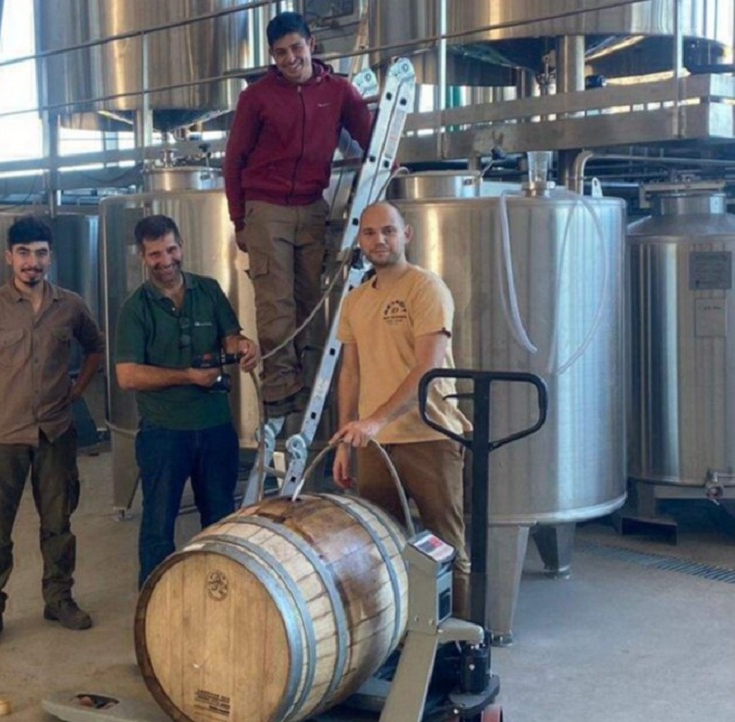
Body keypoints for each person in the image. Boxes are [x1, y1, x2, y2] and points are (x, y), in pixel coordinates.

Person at [0, 215, 105, 650]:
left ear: (50, 257)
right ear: (9, 257)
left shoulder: (70, 306)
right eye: (23, 253)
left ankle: (58, 599)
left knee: (58, 525)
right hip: (2, 437)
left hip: (55, 434)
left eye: (40, 253)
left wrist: (77, 390)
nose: (32, 262)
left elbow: (96, 347)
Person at [223, 10, 373, 418]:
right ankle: (279, 394)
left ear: (311, 45)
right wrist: (240, 220)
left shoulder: (339, 92)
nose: (290, 59)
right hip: (266, 208)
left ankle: (306, 390)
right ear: (272, 57)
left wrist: (392, 166)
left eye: (295, 48)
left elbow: (369, 135)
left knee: (308, 300)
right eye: (280, 53)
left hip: (311, 207)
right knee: (276, 304)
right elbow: (234, 160)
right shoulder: (256, 98)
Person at [330, 202, 472, 619]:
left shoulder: (425, 288)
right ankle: (399, 636)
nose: (380, 240)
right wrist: (345, 441)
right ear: (360, 240)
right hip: (376, 444)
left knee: (447, 545)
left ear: (406, 235)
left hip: (429, 434)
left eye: (388, 231)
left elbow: (427, 367)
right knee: (382, 547)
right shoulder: (355, 301)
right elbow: (350, 373)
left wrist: (376, 420)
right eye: (370, 233)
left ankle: (460, 642)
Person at [114, 214, 259, 588]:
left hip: (215, 426)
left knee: (221, 520)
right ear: (142, 257)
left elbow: (230, 338)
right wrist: (187, 376)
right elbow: (127, 375)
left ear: (182, 246)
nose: (165, 261)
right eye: (155, 254)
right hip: (164, 431)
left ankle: (221, 594)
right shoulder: (136, 308)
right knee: (158, 525)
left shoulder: (208, 290)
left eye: (171, 249)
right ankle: (154, 601)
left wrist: (244, 347)